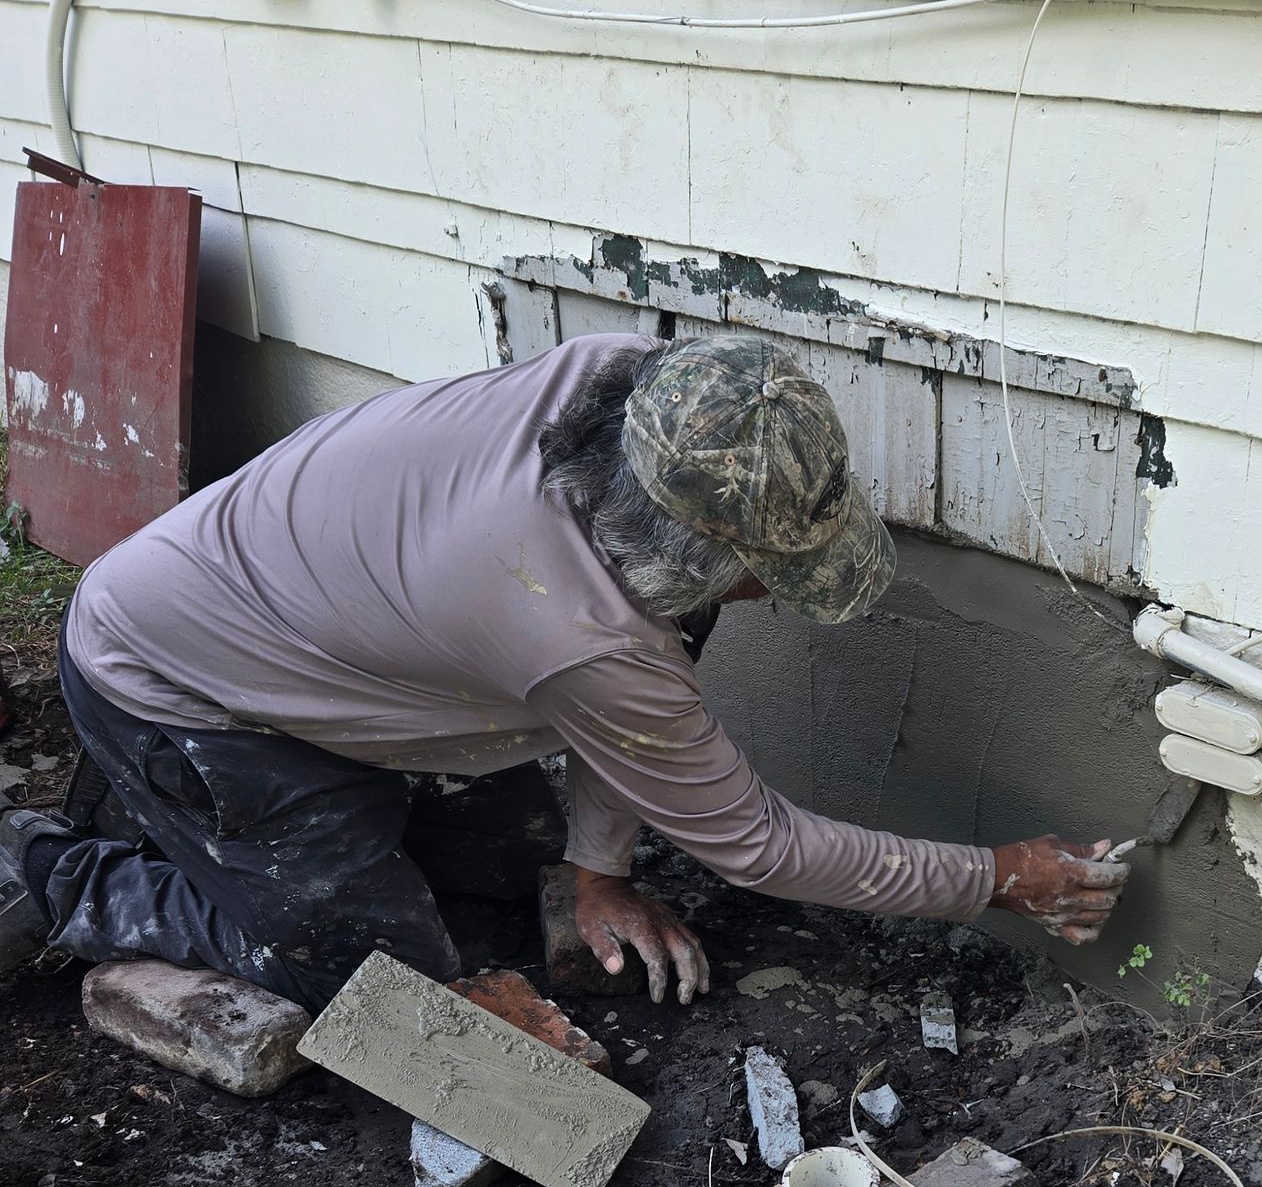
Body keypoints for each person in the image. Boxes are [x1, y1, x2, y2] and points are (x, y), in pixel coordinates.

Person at [0, 334, 1128, 1007]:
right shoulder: (573, 629)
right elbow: (758, 844)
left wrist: (597, 875)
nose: (770, 598)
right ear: (673, 551)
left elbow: (639, 665)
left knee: (504, 875)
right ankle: (59, 874)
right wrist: (994, 875)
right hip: (173, 689)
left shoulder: (631, 392)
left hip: (289, 622)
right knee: (376, 978)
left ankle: (245, 838)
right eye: (765, 576)